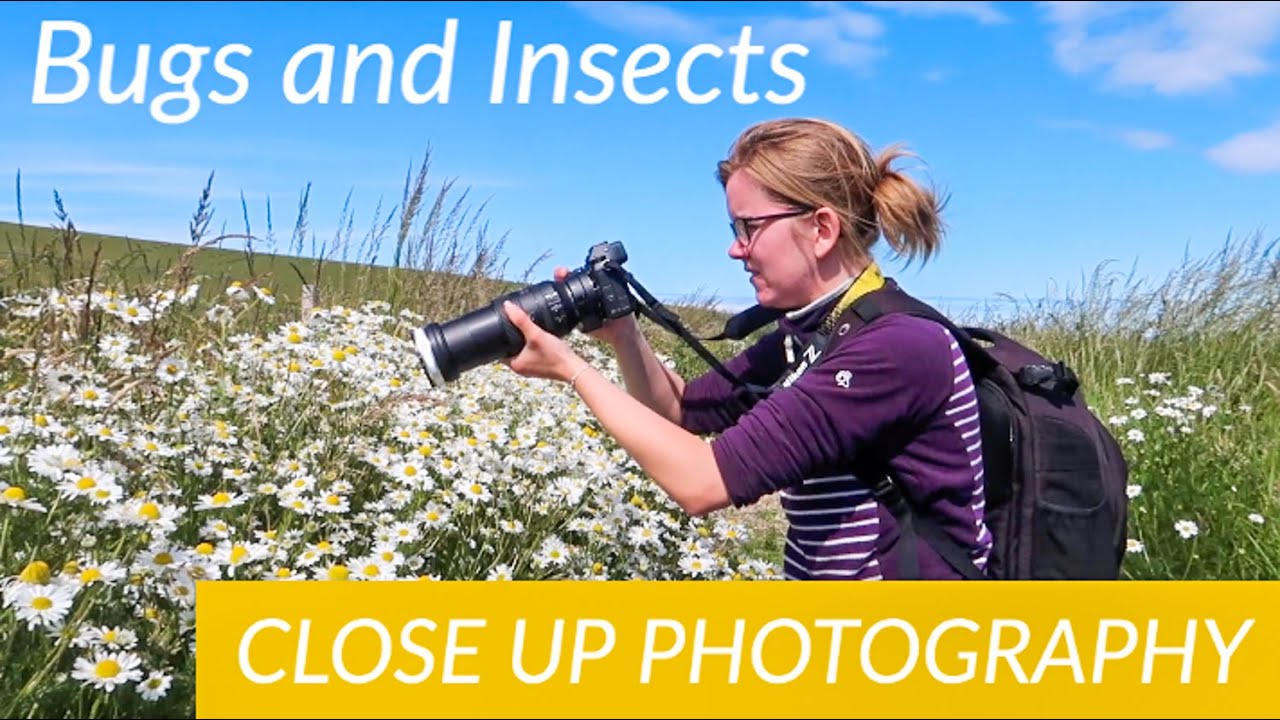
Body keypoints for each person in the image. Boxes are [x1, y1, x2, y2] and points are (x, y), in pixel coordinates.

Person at [500, 117, 992, 581]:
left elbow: (701, 482)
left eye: (748, 227)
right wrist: (625, 335)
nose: (736, 249)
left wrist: (572, 369)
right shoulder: (814, 334)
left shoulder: (894, 348)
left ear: (821, 229)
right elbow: (682, 410)